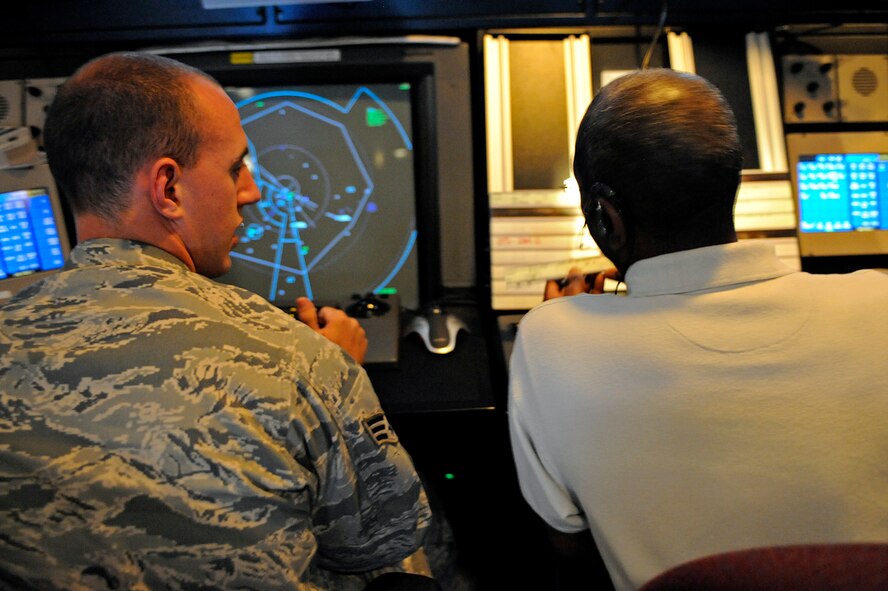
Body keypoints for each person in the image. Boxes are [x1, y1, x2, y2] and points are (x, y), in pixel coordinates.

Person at [0, 52, 434, 590]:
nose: (252, 191)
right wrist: (334, 377)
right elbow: (385, 537)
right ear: (168, 189)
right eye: (235, 168)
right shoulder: (298, 357)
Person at [508, 68, 888, 591]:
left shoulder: (548, 341)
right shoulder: (878, 302)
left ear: (605, 217)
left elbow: (568, 541)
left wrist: (568, 325)